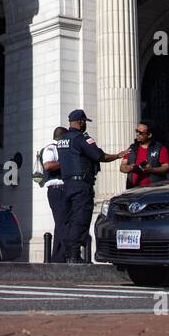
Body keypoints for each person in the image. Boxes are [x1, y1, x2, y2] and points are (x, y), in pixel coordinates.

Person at [57, 109, 125, 263]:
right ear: (80, 121)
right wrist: (118, 155)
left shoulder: (62, 140)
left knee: (69, 219)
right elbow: (100, 156)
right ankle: (74, 254)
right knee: (81, 218)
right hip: (81, 185)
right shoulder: (82, 138)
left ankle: (68, 253)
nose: (85, 125)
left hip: (66, 185)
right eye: (84, 122)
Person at [36, 126, 71, 262]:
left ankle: (59, 257)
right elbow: (48, 166)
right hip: (57, 189)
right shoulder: (52, 148)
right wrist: (67, 162)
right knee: (63, 223)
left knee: (63, 223)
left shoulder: (62, 148)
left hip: (64, 188)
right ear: (62, 137)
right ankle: (65, 254)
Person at [120, 122, 169, 189]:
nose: (137, 134)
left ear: (149, 135)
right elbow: (122, 167)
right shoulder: (132, 148)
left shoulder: (160, 148)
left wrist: (152, 170)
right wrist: (131, 168)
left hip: (154, 190)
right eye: (136, 131)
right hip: (133, 190)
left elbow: (166, 167)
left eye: (140, 133)